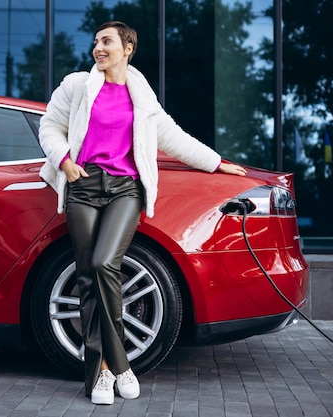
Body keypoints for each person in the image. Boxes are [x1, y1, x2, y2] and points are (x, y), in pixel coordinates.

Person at [38, 21, 247, 405]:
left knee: (104, 264)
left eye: (106, 42)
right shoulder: (76, 86)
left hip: (125, 190)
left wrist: (218, 163)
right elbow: (49, 126)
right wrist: (65, 161)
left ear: (127, 47)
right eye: (96, 42)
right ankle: (105, 373)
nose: (98, 49)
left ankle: (118, 365)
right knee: (86, 276)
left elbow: (175, 138)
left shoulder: (142, 98)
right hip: (83, 186)